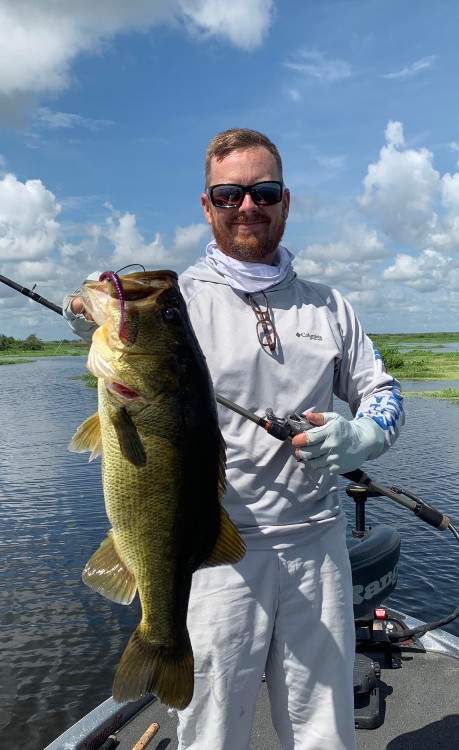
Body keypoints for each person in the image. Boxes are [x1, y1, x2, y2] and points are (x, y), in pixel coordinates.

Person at [64, 128, 404, 750]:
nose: (247, 206)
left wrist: (363, 435)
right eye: (228, 194)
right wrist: (87, 302)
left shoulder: (330, 307)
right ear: (206, 205)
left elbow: (385, 394)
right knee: (213, 732)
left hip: (317, 544)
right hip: (214, 550)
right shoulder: (177, 301)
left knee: (325, 729)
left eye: (263, 190)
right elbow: (100, 302)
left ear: (285, 200)